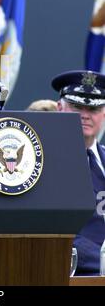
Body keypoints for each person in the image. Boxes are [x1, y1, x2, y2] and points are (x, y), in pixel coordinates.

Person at [52, 70, 105, 275]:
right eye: (76, 106)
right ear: (60, 108)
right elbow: (53, 229)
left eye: (93, 108)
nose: (85, 114)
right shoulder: (41, 162)